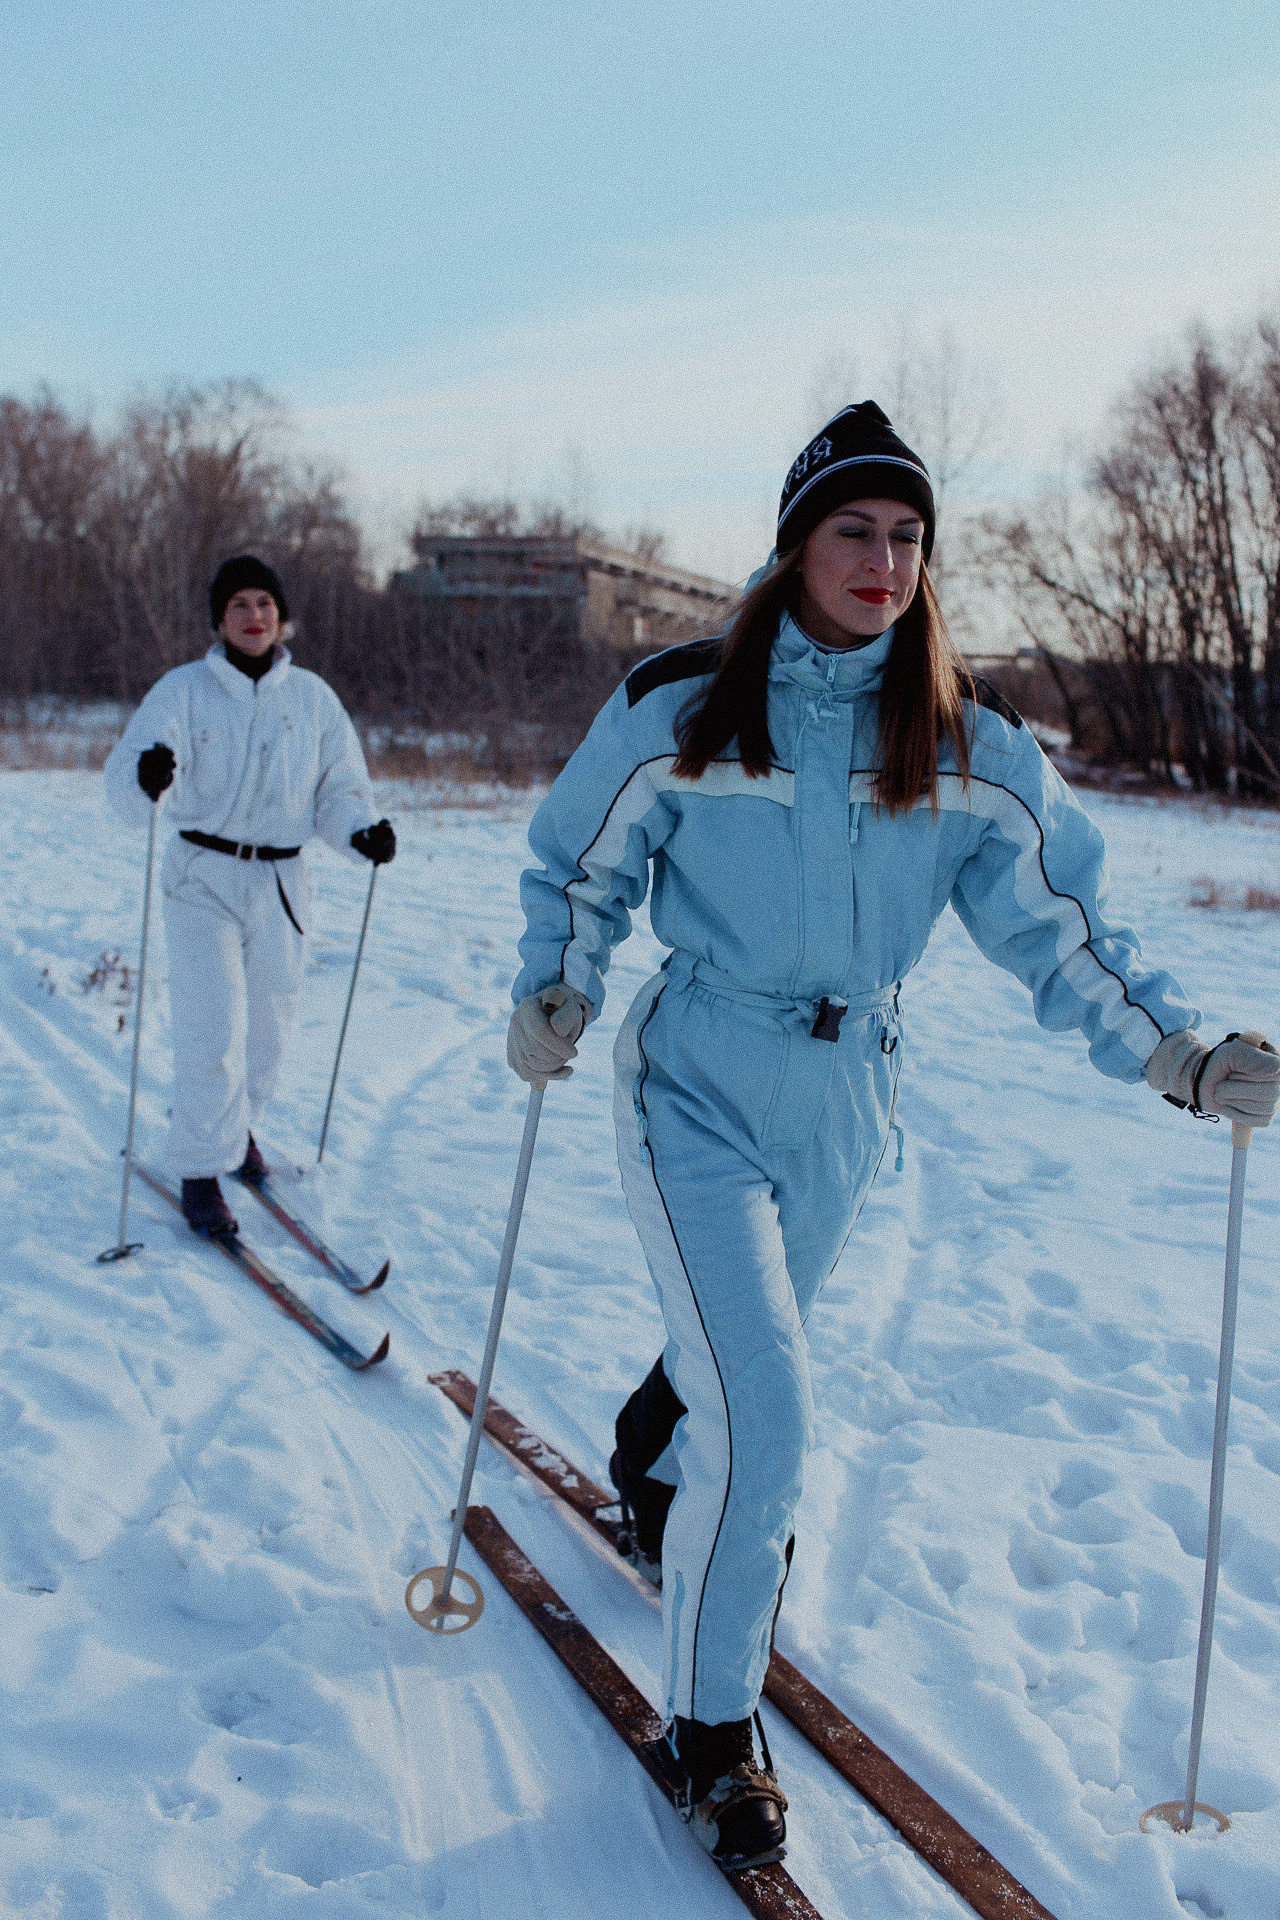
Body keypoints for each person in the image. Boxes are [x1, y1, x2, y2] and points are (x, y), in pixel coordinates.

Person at [506, 403, 1280, 1869]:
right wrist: (555, 983)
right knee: (777, 1414)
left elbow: (1065, 930)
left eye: (908, 537)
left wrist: (1178, 1053)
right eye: (855, 530)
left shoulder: (964, 736)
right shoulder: (684, 703)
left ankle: (658, 1444)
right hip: (700, 1082)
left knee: (747, 1360)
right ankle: (714, 1732)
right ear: (798, 540)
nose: (884, 560)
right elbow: (580, 863)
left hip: (852, 1095)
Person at [104, 554, 396, 1235]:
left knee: (267, 1027)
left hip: (282, 884)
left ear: (282, 615)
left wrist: (362, 833)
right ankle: (202, 1170)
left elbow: (339, 793)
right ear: (219, 620)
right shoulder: (182, 691)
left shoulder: (315, 700)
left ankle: (237, 1129)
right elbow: (131, 776)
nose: (254, 616)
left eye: (264, 603)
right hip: (202, 875)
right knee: (215, 1023)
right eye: (239, 604)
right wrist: (149, 777)